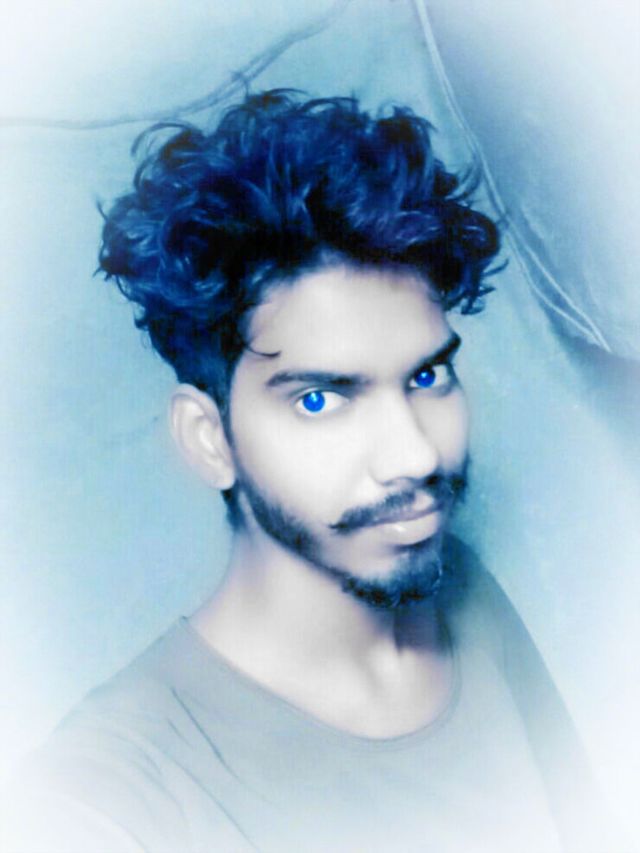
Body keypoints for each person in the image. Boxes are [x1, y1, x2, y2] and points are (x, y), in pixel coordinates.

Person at [4, 90, 607, 853]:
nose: (416, 455)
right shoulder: (110, 794)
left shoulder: (458, 584)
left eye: (426, 377)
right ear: (210, 439)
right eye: (320, 399)